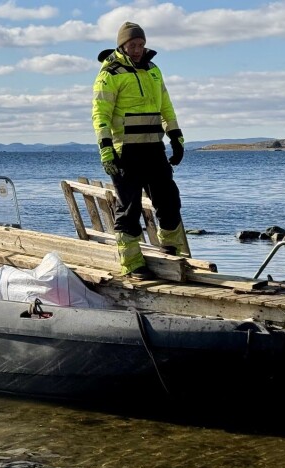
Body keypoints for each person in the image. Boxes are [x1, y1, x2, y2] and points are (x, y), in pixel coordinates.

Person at [92, 21, 187, 280]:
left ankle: (172, 253)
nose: (137, 49)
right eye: (132, 45)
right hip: (126, 151)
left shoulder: (154, 70)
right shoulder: (110, 73)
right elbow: (100, 113)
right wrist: (106, 149)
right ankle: (132, 264)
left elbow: (166, 106)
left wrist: (176, 137)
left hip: (154, 148)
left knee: (169, 201)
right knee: (129, 208)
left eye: (141, 44)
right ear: (122, 45)